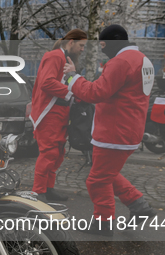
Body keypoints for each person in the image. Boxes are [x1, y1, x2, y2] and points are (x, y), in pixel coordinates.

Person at [64, 24, 157, 236]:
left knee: (97, 180)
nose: (102, 49)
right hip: (129, 128)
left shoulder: (121, 62)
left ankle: (103, 223)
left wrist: (73, 77)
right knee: (106, 173)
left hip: (115, 132)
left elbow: (97, 92)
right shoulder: (143, 60)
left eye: (104, 45)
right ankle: (139, 206)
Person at [29, 29, 87, 203]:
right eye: (81, 45)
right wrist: (70, 93)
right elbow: (47, 82)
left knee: (58, 153)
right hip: (49, 113)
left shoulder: (63, 58)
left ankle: (48, 188)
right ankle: (38, 191)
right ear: (71, 42)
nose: (83, 49)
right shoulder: (54, 56)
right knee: (49, 153)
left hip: (59, 113)